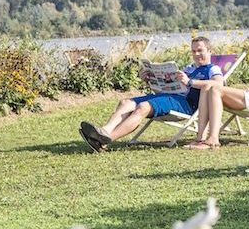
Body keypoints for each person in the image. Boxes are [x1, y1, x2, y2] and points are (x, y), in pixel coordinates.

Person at [78, 36, 223, 152]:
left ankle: (104, 140)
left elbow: (218, 85)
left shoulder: (212, 69)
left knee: (143, 107)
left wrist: (190, 82)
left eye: (200, 50)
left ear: (209, 51)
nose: (196, 54)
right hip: (168, 96)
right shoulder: (188, 68)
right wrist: (151, 78)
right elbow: (169, 85)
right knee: (125, 103)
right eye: (193, 51)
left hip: (185, 103)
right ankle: (104, 131)